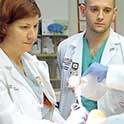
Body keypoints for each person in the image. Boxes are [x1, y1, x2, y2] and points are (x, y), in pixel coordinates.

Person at [0, 0, 88, 124]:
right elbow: (9, 119)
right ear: (4, 27)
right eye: (24, 27)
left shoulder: (33, 65)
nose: (32, 35)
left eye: (35, 26)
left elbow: (49, 109)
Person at [57, 0, 122, 119]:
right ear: (83, 10)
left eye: (107, 11)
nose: (100, 16)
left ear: (114, 14)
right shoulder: (65, 47)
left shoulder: (122, 48)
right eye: (94, 9)